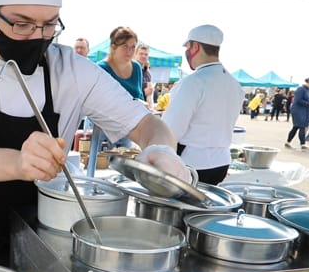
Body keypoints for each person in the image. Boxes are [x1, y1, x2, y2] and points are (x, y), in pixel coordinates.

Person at [0, 0, 190, 267]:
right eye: (22, 24)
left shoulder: (73, 71)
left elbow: (148, 125)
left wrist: (161, 149)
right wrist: (18, 163)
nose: (38, 36)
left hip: (44, 245)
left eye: (49, 25)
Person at [161, 24, 244, 185]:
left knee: (183, 209)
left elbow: (171, 130)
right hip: (221, 163)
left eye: (187, 46)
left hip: (192, 165)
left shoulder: (192, 82)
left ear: (195, 46)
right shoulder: (235, 84)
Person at [96, 26, 143, 149]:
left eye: (133, 47)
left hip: (130, 130)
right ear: (113, 47)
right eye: (125, 46)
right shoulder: (101, 68)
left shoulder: (137, 67)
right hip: (103, 131)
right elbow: (100, 104)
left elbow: (139, 98)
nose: (129, 51)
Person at [285, 76, 309, 150]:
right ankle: (303, 144)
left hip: (304, 110)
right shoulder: (301, 89)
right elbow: (298, 100)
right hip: (298, 110)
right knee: (302, 126)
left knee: (296, 127)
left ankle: (288, 142)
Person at [134, 42, 154, 108]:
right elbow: (125, 91)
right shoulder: (129, 69)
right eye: (141, 54)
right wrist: (144, 93)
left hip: (144, 110)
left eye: (146, 54)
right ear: (135, 54)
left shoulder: (147, 73)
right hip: (132, 109)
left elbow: (149, 95)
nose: (143, 56)